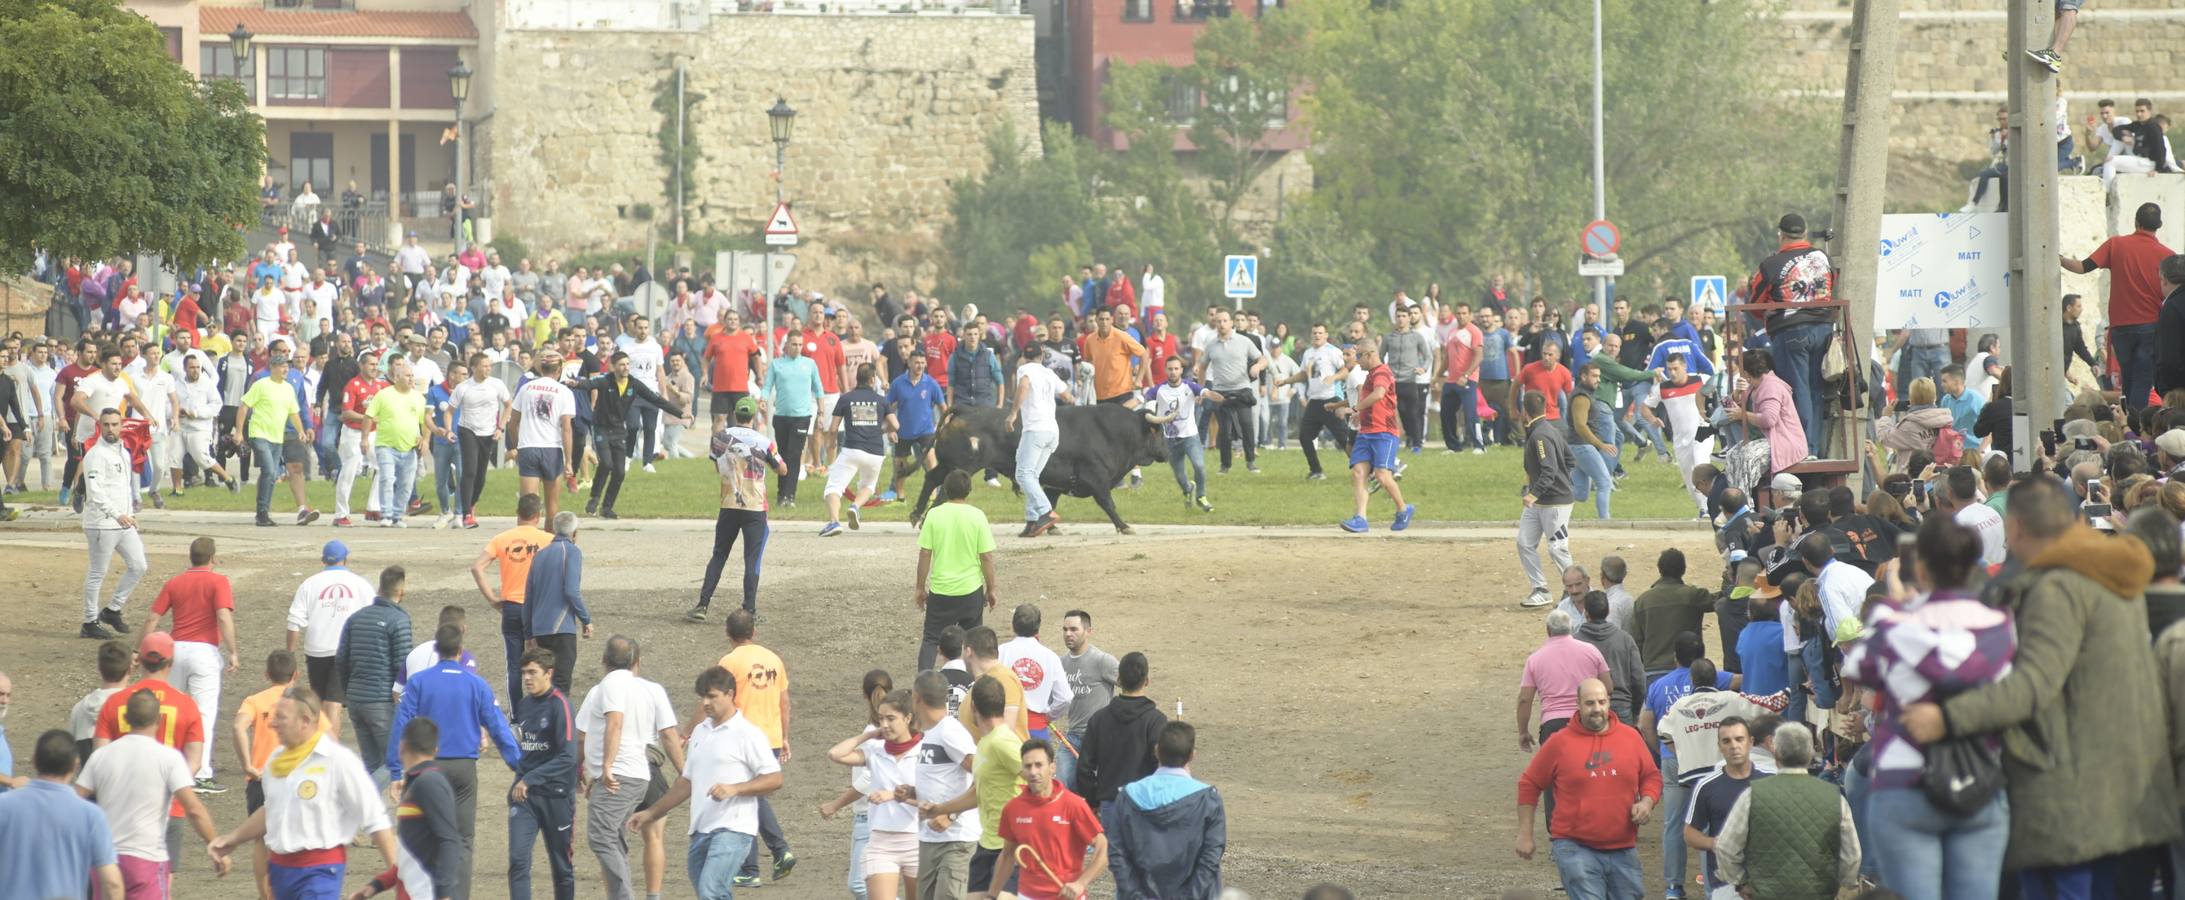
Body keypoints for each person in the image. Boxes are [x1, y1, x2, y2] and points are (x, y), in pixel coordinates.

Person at [1899, 475, 2181, 892]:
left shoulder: (2058, 588)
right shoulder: (2107, 574)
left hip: (2074, 800)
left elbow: (2034, 683)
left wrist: (1945, 718)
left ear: (2014, 529)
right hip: (2121, 790)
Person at [1839, 516, 2014, 900]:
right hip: (1978, 777)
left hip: (1904, 782)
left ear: (1920, 566)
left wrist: (1899, 604)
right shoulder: (2000, 625)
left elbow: (1858, 667)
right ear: (1972, 564)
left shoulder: (1895, 621)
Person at [208, 687, 399, 900]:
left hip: (319, 872)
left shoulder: (337, 761)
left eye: (281, 717)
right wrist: (232, 839)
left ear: (305, 721)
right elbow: (272, 809)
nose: (272, 723)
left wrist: (398, 877)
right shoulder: (276, 761)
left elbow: (375, 819)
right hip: (280, 872)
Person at [628, 665, 785, 900]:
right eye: (702, 697)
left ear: (730, 694)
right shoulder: (700, 732)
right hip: (700, 830)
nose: (705, 702)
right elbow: (686, 782)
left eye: (712, 696)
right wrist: (650, 813)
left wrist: (735, 789)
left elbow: (775, 778)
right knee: (708, 893)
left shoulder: (748, 734)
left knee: (711, 892)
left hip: (734, 829)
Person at [391, 623, 523, 900]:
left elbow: (401, 724)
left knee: (422, 836)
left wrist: (395, 769)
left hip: (426, 769)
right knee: (462, 839)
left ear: (436, 649)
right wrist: (519, 767)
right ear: (461, 650)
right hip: (463, 768)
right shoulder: (477, 684)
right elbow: (499, 727)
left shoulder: (419, 682)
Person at [1514, 680, 1660, 899]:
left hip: (1623, 847)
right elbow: (1529, 784)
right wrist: (1525, 834)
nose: (1597, 709)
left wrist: (1647, 801)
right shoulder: (1559, 743)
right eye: (1590, 703)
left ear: (1609, 701)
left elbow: (1651, 775)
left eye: (1602, 702)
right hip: (1575, 848)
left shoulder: (1630, 737)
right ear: (1578, 705)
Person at [77, 688, 225, 896]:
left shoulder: (101, 757)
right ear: (159, 720)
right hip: (146, 858)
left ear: (126, 718)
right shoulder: (168, 759)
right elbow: (194, 810)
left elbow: (75, 801)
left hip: (105, 858)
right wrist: (215, 844)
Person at [576, 636, 683, 900]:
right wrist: (687, 773)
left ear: (603, 661)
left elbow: (594, 731)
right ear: (637, 662)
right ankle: (652, 895)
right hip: (647, 771)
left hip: (618, 772)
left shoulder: (602, 688)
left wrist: (598, 767)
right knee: (643, 837)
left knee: (602, 837)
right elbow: (669, 735)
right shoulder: (652, 689)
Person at [1710, 726, 1862, 898]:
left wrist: (1740, 882)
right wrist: (1845, 882)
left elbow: (1725, 848)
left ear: (1776, 754)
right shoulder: (1835, 798)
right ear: (1810, 754)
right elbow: (1851, 856)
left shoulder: (1752, 795)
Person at [142, 536, 238, 787]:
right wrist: (233, 651)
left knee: (168, 710)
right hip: (204, 653)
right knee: (203, 713)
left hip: (175, 651)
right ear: (213, 558)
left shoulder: (175, 582)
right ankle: (200, 772)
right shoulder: (219, 581)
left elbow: (153, 618)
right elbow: (223, 617)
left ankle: (164, 767)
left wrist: (137, 649)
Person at [711, 610, 797, 888]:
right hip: (770, 737)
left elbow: (722, 700)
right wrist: (784, 737)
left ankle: (769, 855)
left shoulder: (728, 661)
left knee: (748, 797)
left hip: (744, 738)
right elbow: (784, 702)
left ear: (727, 633)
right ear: (754, 632)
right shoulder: (774, 658)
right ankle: (756, 863)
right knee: (751, 796)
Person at [2061, 203, 2175, 410]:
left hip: (2121, 328)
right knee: (2142, 380)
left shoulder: (2116, 245)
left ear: (2136, 222)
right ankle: (2135, 425)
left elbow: (2081, 267)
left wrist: (2058, 259)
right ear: (2159, 225)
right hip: (2151, 326)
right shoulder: (2167, 255)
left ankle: (2129, 420)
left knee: (2129, 380)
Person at [1744, 214, 1836, 455]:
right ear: (1804, 234)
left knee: (1797, 389)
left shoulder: (1772, 264)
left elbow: (1754, 303)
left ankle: (1801, 448)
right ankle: (1814, 447)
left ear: (1780, 235)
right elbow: (1831, 285)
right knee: (1816, 389)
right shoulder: (1821, 257)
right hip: (1825, 329)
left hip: (1791, 331)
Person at [689, 397, 785, 623]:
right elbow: (782, 469)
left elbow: (716, 465)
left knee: (719, 554)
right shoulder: (764, 441)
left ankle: (702, 604)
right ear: (753, 416)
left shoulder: (720, 437)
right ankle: (749, 609)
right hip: (755, 506)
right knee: (752, 559)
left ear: (734, 413)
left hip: (728, 503)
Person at [0, 729, 127, 900]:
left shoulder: (4, 806)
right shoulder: (91, 815)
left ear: (34, 761)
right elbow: (112, 883)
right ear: (75, 765)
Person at [826, 688, 922, 900]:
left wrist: (894, 795)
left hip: (917, 839)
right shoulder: (875, 751)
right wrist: (869, 735)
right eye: (881, 719)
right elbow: (835, 754)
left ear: (908, 718)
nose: (885, 725)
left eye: (891, 718)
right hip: (881, 841)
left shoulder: (924, 751)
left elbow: (934, 798)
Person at [355, 720, 465, 900]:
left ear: (402, 745)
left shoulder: (429, 783)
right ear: (436, 749)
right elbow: (412, 854)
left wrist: (444, 894)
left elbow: (449, 840)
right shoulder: (417, 782)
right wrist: (377, 885)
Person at [987, 738, 1109, 900]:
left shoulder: (1073, 804)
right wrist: (991, 896)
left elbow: (1103, 847)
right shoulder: (1013, 809)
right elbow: (1007, 855)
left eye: (1039, 765)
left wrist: (1081, 883)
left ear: (1052, 767)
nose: (1033, 772)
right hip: (1026, 896)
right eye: (1028, 766)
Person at [568, 351, 684, 519]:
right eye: (622, 365)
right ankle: (594, 498)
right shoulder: (605, 380)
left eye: (628, 364)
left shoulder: (634, 384)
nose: (626, 368)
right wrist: (574, 384)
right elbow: (588, 384)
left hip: (618, 430)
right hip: (601, 428)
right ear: (613, 367)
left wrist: (680, 414)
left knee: (620, 472)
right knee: (606, 464)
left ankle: (607, 508)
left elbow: (656, 399)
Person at [507, 648, 578, 900]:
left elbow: (569, 756)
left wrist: (530, 778)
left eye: (532, 672)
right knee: (517, 860)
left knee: (561, 868)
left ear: (548, 673)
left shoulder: (561, 706)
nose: (526, 678)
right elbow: (525, 750)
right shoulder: (524, 705)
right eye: (524, 672)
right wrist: (519, 778)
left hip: (556, 797)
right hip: (525, 799)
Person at [285, 541, 373, 738]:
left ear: (323, 560)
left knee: (320, 699)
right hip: (345, 649)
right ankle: (330, 751)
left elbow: (294, 622)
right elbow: (373, 616)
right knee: (334, 701)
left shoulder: (309, 584)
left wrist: (290, 655)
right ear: (346, 558)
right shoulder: (360, 584)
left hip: (316, 649)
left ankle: (320, 744)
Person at [915, 470, 1000, 671]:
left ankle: (924, 683)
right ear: (969, 490)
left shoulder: (934, 515)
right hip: (970, 590)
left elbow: (925, 554)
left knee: (931, 639)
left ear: (944, 489)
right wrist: (991, 588)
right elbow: (986, 556)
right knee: (974, 640)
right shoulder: (977, 516)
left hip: (941, 590)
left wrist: (920, 587)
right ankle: (973, 684)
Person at [336, 566, 413, 783]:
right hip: (381, 702)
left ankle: (370, 811)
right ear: (402, 593)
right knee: (394, 763)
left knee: (372, 763)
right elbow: (402, 665)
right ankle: (368, 807)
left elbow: (341, 659)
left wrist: (348, 692)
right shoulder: (399, 620)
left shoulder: (355, 618)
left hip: (356, 700)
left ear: (379, 588)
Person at [1072, 650, 1165, 828]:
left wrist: (1093, 801)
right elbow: (1161, 764)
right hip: (1145, 803)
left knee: (1113, 855)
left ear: (1119, 680)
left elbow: (1084, 767)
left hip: (1110, 803)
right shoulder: (1156, 721)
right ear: (1147, 681)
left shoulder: (1099, 719)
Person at [473, 493, 552, 702]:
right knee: (541, 661)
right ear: (538, 515)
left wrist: (492, 598)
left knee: (514, 665)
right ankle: (541, 707)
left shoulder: (501, 539)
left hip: (512, 607)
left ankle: (516, 716)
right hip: (537, 607)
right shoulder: (548, 540)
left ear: (518, 514)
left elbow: (477, 567)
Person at [1333, 337, 1416, 533]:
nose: (1356, 360)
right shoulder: (1369, 374)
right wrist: (1358, 416)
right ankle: (1360, 518)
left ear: (1369, 355)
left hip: (1384, 433)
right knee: (1358, 472)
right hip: (1366, 432)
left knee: (1382, 475)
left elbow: (1379, 394)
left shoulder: (1382, 372)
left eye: (1359, 356)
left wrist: (1355, 409)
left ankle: (1403, 509)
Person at [910, 670, 980, 900]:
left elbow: (984, 776)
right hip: (930, 837)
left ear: (917, 697)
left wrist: (951, 815)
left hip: (956, 839)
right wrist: (911, 792)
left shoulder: (950, 732)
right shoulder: (930, 733)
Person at [80, 406, 148, 639]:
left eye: (114, 424)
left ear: (121, 426)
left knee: (139, 565)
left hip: (122, 521)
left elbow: (122, 487)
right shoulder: (96, 455)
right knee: (98, 572)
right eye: (106, 424)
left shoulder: (123, 452)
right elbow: (95, 490)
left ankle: (112, 610)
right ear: (100, 426)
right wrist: (116, 513)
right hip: (101, 523)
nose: (110, 429)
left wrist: (128, 511)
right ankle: (89, 622)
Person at [1682, 717, 1766, 898]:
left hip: (1767, 881)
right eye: (1726, 741)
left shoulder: (1771, 782)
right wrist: (1714, 844)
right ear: (1719, 746)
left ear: (1750, 742)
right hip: (1725, 885)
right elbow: (1689, 832)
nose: (1734, 746)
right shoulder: (1707, 786)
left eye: (1739, 739)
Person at [235, 353, 314, 527]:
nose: (286, 369)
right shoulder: (261, 385)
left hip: (277, 437)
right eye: (282, 366)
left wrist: (300, 430)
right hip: (259, 434)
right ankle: (262, 512)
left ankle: (262, 512)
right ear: (273, 368)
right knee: (270, 471)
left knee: (269, 475)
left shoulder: (288, 389)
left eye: (287, 366)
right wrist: (239, 432)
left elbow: (294, 412)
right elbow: (244, 407)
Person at [1517, 611, 1610, 754]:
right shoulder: (1591, 651)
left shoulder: (1535, 659)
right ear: (1571, 628)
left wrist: (1523, 732)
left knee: (1556, 772)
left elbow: (1524, 699)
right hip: (1585, 719)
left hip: (1552, 724)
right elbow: (1608, 687)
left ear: (1548, 631)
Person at [1517, 391, 1577, 608]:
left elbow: (1549, 470)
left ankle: (1576, 591)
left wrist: (1534, 492)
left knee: (1557, 548)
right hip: (1541, 502)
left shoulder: (1540, 435)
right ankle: (1540, 589)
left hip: (1554, 503)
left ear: (1524, 410)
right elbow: (1570, 459)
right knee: (1524, 542)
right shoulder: (1550, 429)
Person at [1009, 343, 1075, 537]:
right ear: (1042, 357)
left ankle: (1046, 512)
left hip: (1035, 429)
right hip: (1052, 431)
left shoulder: (1024, 369)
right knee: (1032, 476)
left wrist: (1013, 413)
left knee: (1022, 475)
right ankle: (1032, 520)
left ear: (1023, 356)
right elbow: (1067, 395)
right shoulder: (1048, 373)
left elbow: (1023, 386)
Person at [525, 512, 595, 695]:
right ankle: (560, 721)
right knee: (561, 683)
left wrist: (528, 633)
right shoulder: (572, 551)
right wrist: (586, 619)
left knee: (544, 684)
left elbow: (529, 597)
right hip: (561, 627)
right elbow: (571, 590)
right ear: (575, 533)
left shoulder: (539, 555)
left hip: (540, 628)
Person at [509, 348, 578, 522]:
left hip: (528, 447)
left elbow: (512, 422)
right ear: (559, 370)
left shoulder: (526, 388)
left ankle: (525, 544)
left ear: (541, 368)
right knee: (552, 506)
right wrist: (569, 461)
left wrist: (518, 446)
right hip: (552, 449)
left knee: (528, 505)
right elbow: (566, 428)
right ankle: (549, 545)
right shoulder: (564, 392)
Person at [1054, 610, 1116, 802]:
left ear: (1088, 631)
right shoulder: (1060, 663)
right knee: (1063, 789)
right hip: (1071, 738)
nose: (1068, 634)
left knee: (1098, 793)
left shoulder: (1102, 661)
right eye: (1065, 629)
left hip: (1099, 740)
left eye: (1074, 629)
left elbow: (1133, 684)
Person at [820, 363, 889, 537]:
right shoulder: (881, 400)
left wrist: (831, 446)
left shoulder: (845, 398)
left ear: (856, 378)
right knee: (868, 486)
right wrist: (881, 430)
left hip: (852, 449)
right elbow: (895, 424)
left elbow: (833, 428)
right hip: (875, 452)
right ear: (873, 379)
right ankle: (855, 506)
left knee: (834, 487)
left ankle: (834, 522)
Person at [1142, 355, 1215, 512]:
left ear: (1181, 370)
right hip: (1170, 440)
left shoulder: (1190, 386)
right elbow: (1148, 400)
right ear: (1165, 370)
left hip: (1190, 437)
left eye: (1176, 369)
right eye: (1170, 369)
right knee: (1180, 476)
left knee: (1199, 466)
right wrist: (1150, 409)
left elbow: (1203, 391)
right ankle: (1188, 490)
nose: (1173, 372)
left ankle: (1201, 496)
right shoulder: (1158, 390)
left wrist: (1209, 395)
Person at [1628, 550, 1716, 680]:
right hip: (1687, 670)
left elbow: (1636, 640)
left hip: (1653, 671)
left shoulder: (1643, 600)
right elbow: (1722, 601)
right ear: (1683, 569)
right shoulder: (1693, 596)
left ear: (1660, 569)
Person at [449, 354, 512, 528]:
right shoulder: (463, 387)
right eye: (484, 366)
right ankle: (467, 514)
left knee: (481, 475)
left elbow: (508, 405)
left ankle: (472, 503)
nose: (488, 369)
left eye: (489, 366)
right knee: (469, 471)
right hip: (468, 430)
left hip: (489, 433)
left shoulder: (496, 384)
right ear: (474, 368)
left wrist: (501, 428)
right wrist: (448, 430)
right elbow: (449, 411)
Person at [762, 332, 823, 505]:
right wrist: (762, 400)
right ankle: (782, 494)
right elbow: (767, 387)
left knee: (795, 455)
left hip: (802, 416)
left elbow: (819, 390)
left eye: (800, 345)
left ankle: (790, 495)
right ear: (787, 345)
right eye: (794, 344)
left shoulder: (809, 364)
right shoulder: (777, 364)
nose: (797, 348)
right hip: (781, 416)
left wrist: (821, 413)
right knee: (782, 455)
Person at [882, 351, 946, 502]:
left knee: (931, 461)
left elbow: (943, 407)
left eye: (923, 363)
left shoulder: (931, 383)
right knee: (900, 465)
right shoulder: (898, 383)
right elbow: (887, 407)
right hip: (903, 431)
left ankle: (933, 496)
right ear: (909, 363)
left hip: (926, 431)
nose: (920, 366)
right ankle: (900, 498)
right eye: (917, 362)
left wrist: (944, 425)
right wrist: (890, 429)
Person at [1575, 591, 1647, 724]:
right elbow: (1639, 680)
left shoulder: (1575, 642)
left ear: (1586, 613)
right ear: (1608, 611)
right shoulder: (1625, 639)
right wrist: (1635, 711)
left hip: (1588, 709)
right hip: (1621, 706)